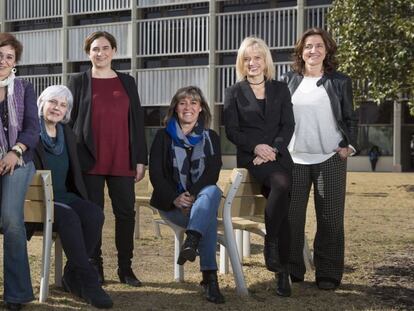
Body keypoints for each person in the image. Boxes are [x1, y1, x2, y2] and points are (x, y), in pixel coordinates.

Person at [68, 31, 147, 286]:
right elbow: (69, 122)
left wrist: (140, 159)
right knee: (94, 215)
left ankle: (126, 268)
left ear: (113, 51)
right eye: (94, 49)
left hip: (122, 159)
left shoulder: (127, 82)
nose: (99, 53)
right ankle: (95, 266)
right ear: (88, 53)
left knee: (125, 215)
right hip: (88, 160)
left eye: (104, 48)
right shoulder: (79, 81)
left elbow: (137, 121)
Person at [282, 27, 358, 290]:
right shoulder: (288, 81)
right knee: (291, 217)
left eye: (319, 46)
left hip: (330, 158)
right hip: (294, 159)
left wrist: (349, 146)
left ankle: (328, 273)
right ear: (300, 52)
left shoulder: (339, 81)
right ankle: (292, 269)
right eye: (308, 46)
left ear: (327, 51)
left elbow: (350, 117)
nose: (313, 51)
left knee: (331, 218)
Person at [224, 37, 295, 297]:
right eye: (247, 58)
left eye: (257, 57)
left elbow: (288, 125)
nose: (252, 63)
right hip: (252, 158)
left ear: (266, 61)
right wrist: (257, 147)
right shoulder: (233, 92)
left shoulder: (280, 88)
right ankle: (277, 256)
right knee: (281, 184)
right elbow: (231, 130)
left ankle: (280, 265)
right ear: (241, 63)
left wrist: (273, 148)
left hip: (277, 155)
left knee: (283, 201)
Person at [30, 85, 113, 308]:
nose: (57, 108)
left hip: (64, 196)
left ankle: (72, 274)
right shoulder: (29, 131)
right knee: (68, 217)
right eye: (52, 102)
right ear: (42, 103)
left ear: (67, 111)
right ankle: (88, 281)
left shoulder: (67, 133)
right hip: (38, 201)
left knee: (95, 214)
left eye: (63, 105)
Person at [149, 86, 224, 304]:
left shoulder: (211, 137)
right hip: (171, 207)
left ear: (201, 109)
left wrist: (190, 196)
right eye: (183, 103)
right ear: (175, 108)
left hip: (199, 201)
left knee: (212, 191)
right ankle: (209, 278)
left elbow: (212, 173)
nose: (188, 107)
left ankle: (192, 241)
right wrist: (175, 197)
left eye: (193, 103)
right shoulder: (163, 137)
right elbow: (156, 174)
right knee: (206, 218)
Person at [0, 32, 39, 311]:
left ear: (15, 63)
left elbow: (32, 128)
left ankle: (16, 295)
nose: (3, 60)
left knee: (12, 221)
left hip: (19, 161)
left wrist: (15, 151)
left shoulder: (24, 88)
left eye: (9, 57)